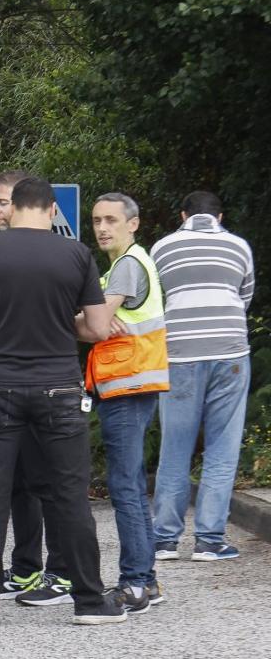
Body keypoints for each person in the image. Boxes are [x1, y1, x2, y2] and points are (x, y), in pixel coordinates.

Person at [0, 175, 125, 627]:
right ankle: (89, 602)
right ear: (48, 210)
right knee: (69, 496)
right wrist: (61, 328)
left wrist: (2, 332)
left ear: (18, 206)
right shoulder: (75, 254)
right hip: (60, 390)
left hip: (0, 388)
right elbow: (99, 328)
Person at [151, 190, 255, 562]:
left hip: (178, 353)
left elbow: (154, 297)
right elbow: (245, 296)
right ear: (220, 217)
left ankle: (164, 540)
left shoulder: (161, 248)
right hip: (230, 353)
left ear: (183, 215)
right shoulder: (239, 246)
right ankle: (209, 541)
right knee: (222, 449)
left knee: (174, 447)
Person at [78, 193, 169, 614]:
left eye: (111, 219)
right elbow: (92, 323)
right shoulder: (121, 267)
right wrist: (88, 321)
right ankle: (146, 580)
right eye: (97, 219)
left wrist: (80, 320)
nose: (102, 227)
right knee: (128, 484)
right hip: (128, 388)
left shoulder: (128, 266)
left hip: (128, 389)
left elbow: (91, 326)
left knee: (126, 488)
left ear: (133, 224)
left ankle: (135, 583)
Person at [0, 170, 70, 604]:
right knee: (18, 482)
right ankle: (24, 569)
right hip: (6, 384)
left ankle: (60, 572)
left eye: (3, 203)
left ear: (22, 205)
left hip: (47, 386)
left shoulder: (61, 254)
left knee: (50, 482)